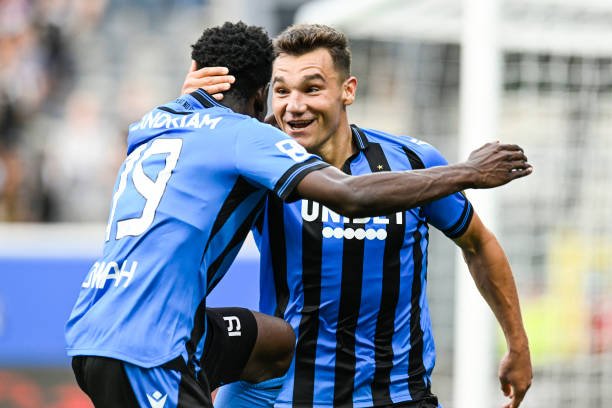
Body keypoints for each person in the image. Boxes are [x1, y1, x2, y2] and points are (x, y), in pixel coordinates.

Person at [65, 21, 530, 408]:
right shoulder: (257, 162)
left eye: (312, 88)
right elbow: (348, 195)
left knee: (272, 340)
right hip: (292, 395)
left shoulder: (411, 162)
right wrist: (469, 171)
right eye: (282, 91)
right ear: (266, 95)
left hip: (399, 393)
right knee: (274, 345)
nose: (294, 105)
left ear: (347, 90)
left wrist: (517, 342)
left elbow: (478, 243)